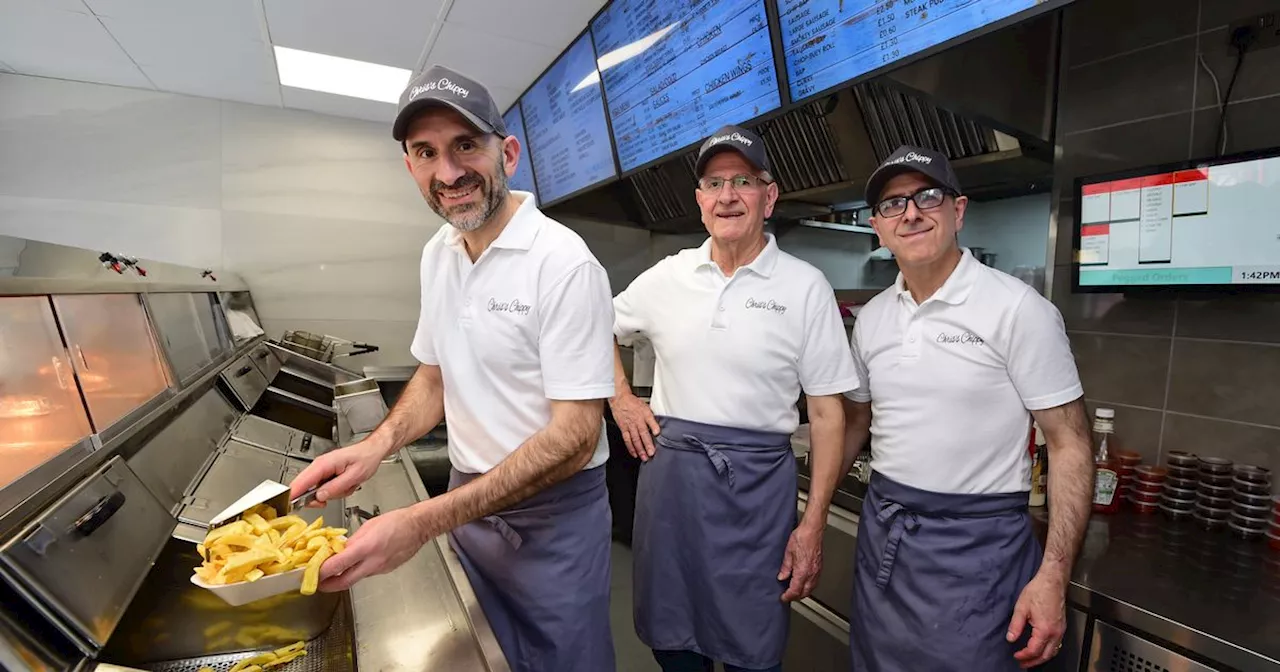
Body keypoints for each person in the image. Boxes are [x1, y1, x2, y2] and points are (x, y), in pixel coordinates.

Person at [288, 65, 617, 672]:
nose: (449, 171)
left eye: (466, 144)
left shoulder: (564, 264)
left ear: (508, 153)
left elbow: (576, 437)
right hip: (469, 501)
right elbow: (435, 376)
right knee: (486, 653)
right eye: (427, 152)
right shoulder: (438, 254)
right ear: (410, 167)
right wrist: (375, 446)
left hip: (551, 520)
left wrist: (419, 521)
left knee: (563, 660)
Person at [610, 125, 860, 672]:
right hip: (671, 484)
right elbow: (592, 327)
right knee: (672, 641)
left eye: (742, 181)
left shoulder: (804, 286)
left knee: (754, 645)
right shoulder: (668, 276)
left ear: (768, 197)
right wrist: (621, 398)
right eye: (714, 183)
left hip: (755, 493)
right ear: (700, 201)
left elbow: (825, 412)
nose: (727, 195)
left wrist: (812, 524)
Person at [842, 145, 1094, 671]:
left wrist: (1053, 577)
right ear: (877, 228)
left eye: (927, 196)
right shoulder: (871, 320)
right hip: (885, 545)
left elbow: (1070, 444)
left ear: (958, 211)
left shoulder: (1020, 311)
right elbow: (856, 420)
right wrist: (811, 512)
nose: (910, 213)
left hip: (978, 556)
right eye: (893, 204)